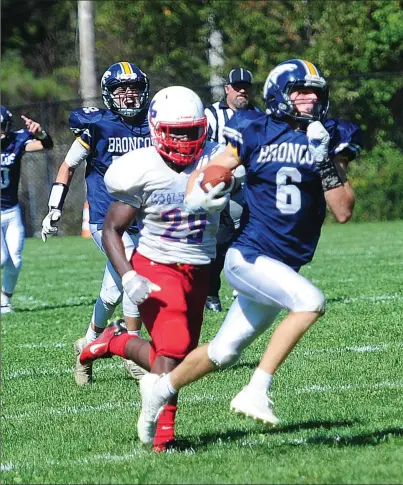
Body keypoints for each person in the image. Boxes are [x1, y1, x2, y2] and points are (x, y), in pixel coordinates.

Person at [86, 57, 362, 436]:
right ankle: (255, 390)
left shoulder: (328, 134)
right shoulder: (253, 130)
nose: (309, 101)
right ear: (280, 95)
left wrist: (324, 159)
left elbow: (343, 211)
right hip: (248, 255)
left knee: (223, 353)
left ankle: (159, 389)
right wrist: (207, 189)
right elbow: (210, 173)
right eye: (300, 93)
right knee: (310, 301)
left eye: (315, 94)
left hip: (276, 265)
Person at [78, 86, 230, 451]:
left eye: (189, 131)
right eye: (174, 131)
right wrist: (128, 275)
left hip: (198, 267)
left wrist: (227, 183)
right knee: (175, 349)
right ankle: (163, 440)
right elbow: (111, 228)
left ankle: (113, 342)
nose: (182, 140)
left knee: (178, 354)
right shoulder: (141, 166)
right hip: (156, 264)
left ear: (203, 130)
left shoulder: (215, 158)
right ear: (156, 128)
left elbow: (245, 179)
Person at [41, 62, 151, 384]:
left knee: (111, 292)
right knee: (133, 271)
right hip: (108, 221)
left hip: (142, 219)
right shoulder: (97, 126)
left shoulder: (152, 126)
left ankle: (88, 345)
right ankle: (133, 350)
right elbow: (67, 166)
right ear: (108, 93)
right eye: (121, 89)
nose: (128, 95)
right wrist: (54, 208)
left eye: (133, 89)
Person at [204, 68, 258, 312]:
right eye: (237, 86)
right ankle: (211, 292)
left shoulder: (258, 116)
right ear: (227, 88)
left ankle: (243, 290)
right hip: (218, 185)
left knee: (247, 240)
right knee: (218, 242)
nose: (242, 91)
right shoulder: (210, 115)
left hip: (248, 186)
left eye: (246, 86)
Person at [1, 106, 54, 314]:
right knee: (2, 258)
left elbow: (46, 145)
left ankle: (5, 300)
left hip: (11, 210)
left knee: (15, 258)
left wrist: (39, 132)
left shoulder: (16, 140)